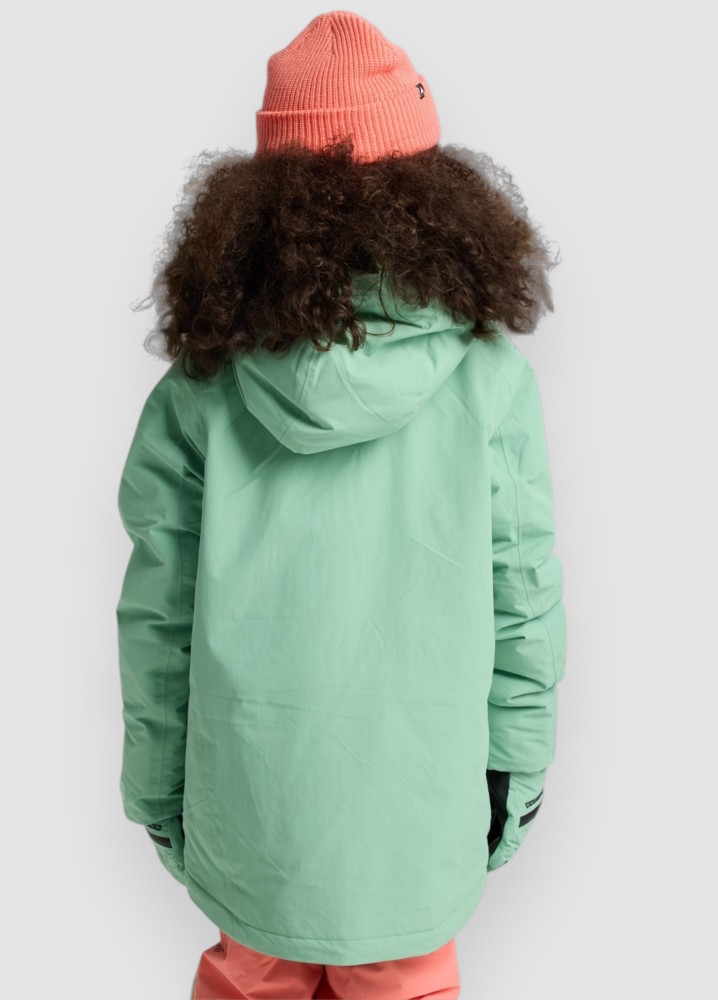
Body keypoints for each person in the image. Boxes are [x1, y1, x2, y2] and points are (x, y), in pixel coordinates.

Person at [114, 9, 567, 999]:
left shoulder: (202, 387)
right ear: (436, 197)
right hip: (418, 824)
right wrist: (516, 768)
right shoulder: (490, 380)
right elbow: (524, 598)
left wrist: (156, 784)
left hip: (251, 817)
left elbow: (159, 615)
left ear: (259, 204)